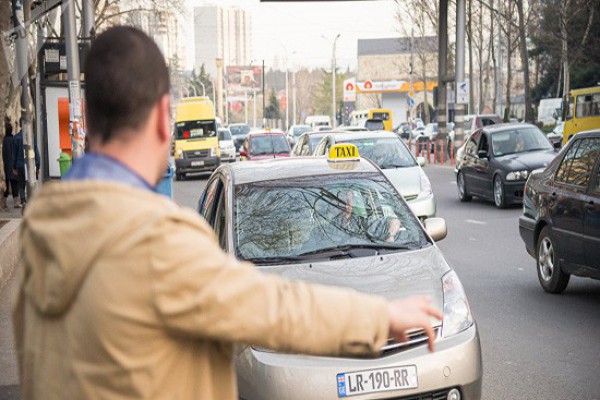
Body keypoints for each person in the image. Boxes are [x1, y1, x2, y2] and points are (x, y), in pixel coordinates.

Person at [14, 26, 441, 400]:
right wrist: (380, 317)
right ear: (165, 118)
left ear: (87, 117)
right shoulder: (153, 241)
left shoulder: (39, 237)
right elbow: (275, 308)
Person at [11, 121, 40, 208]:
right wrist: (38, 164)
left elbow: (14, 154)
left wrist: (14, 167)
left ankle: (23, 201)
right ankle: (31, 200)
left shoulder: (16, 138)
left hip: (20, 165)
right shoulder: (31, 136)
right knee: (31, 182)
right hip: (30, 164)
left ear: (20, 125)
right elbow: (35, 151)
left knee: (21, 184)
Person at [2, 121, 19, 209]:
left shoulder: (3, 141)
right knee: (14, 184)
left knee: (6, 185)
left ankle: (3, 202)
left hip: (4, 166)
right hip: (12, 165)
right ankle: (16, 202)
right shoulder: (14, 140)